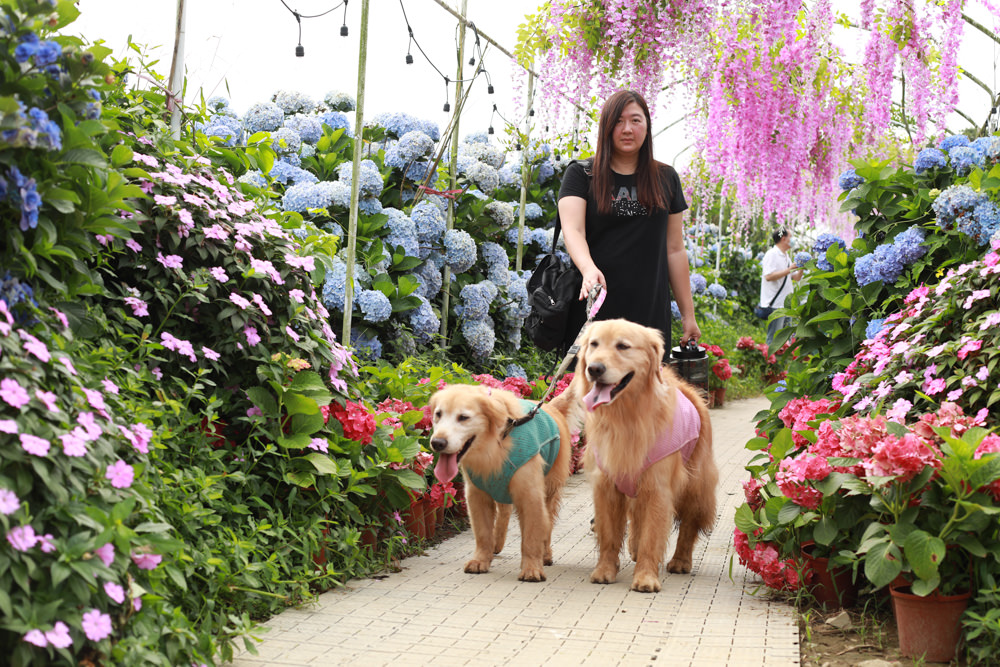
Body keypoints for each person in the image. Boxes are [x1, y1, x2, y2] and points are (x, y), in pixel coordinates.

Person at [557, 90, 700, 357]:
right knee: (592, 389)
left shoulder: (666, 178)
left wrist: (687, 315)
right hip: (596, 302)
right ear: (607, 127)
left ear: (646, 126)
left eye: (636, 120)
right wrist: (588, 269)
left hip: (650, 309)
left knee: (647, 392)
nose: (627, 129)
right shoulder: (581, 174)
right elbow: (573, 230)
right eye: (619, 121)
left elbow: (674, 249)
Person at [759, 228, 803, 348]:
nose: (792, 240)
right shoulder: (772, 254)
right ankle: (769, 363)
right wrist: (789, 269)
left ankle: (779, 364)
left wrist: (802, 267)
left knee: (784, 340)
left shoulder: (786, 256)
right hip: (775, 304)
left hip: (785, 305)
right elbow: (768, 276)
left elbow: (796, 278)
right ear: (783, 238)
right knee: (773, 339)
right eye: (791, 237)